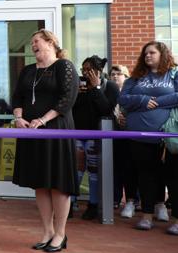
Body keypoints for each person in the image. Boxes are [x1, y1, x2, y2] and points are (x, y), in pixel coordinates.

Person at [12, 29, 78, 253]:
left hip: (56, 129)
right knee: (39, 181)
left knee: (58, 183)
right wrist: (19, 117)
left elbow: (67, 99)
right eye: (32, 43)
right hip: (32, 131)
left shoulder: (63, 66)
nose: (33, 46)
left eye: (37, 41)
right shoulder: (28, 70)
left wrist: (42, 119)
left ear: (51, 43)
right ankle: (47, 231)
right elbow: (18, 96)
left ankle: (60, 234)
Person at [118, 41, 178, 233]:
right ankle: (146, 215)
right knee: (146, 175)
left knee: (173, 177)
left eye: (152, 53)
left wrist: (157, 102)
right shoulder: (135, 78)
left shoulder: (173, 74)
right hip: (140, 137)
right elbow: (123, 99)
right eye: (145, 54)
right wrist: (143, 100)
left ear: (163, 54)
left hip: (169, 137)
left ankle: (176, 219)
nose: (147, 56)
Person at [71, 55, 119, 220]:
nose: (84, 73)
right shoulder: (79, 85)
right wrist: (76, 92)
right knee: (76, 168)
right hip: (77, 133)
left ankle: (93, 204)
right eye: (82, 69)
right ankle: (70, 203)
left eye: (88, 70)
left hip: (96, 135)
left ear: (98, 71)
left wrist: (97, 88)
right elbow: (72, 108)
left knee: (93, 171)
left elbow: (106, 109)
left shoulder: (110, 86)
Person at [110, 64, 139, 218]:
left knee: (131, 167)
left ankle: (134, 200)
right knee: (116, 168)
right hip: (114, 134)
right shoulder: (109, 93)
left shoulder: (132, 93)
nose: (115, 76)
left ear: (126, 77)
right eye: (112, 74)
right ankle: (115, 198)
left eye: (119, 74)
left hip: (130, 134)